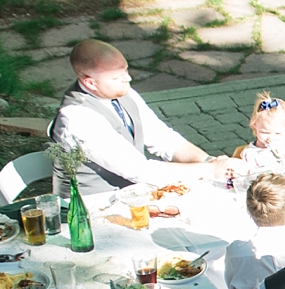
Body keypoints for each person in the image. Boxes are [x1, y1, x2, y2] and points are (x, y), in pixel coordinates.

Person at [51, 40, 211, 191]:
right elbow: (139, 170)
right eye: (117, 77)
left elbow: (162, 138)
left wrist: (208, 161)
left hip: (130, 193)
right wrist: (211, 171)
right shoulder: (77, 117)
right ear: (90, 83)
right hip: (90, 206)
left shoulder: (120, 91)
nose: (128, 78)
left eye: (125, 70)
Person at [234, 92, 285, 163]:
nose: (271, 137)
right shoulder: (250, 154)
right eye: (265, 132)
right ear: (254, 124)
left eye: (277, 133)